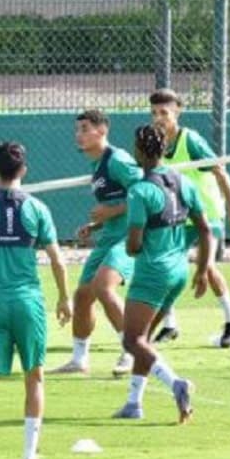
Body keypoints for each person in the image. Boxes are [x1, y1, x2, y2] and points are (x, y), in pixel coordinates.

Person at [0, 141, 72, 459]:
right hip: (29, 302)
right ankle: (28, 458)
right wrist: (65, 298)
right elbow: (57, 259)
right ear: (23, 170)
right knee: (34, 377)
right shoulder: (38, 209)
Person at [114, 124, 212, 423]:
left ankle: (176, 384)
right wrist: (203, 270)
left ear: (138, 151)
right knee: (144, 339)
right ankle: (134, 403)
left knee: (131, 341)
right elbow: (206, 230)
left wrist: (130, 246)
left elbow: (133, 245)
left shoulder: (140, 191)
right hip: (178, 270)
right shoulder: (183, 181)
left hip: (152, 273)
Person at [148, 88, 230, 347]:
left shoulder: (190, 140)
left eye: (164, 113)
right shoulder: (156, 143)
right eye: (154, 113)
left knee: (208, 267)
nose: (159, 118)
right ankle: (169, 325)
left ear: (177, 112)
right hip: (179, 216)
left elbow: (221, 172)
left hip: (207, 213)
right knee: (164, 266)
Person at [51, 109, 143, 377]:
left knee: (104, 287)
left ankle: (133, 350)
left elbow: (147, 192)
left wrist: (111, 212)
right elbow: (117, 202)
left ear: (102, 131)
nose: (78, 135)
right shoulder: (96, 164)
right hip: (109, 237)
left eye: (85, 129)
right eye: (77, 129)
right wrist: (96, 224)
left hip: (129, 236)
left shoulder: (118, 160)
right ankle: (79, 360)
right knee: (82, 297)